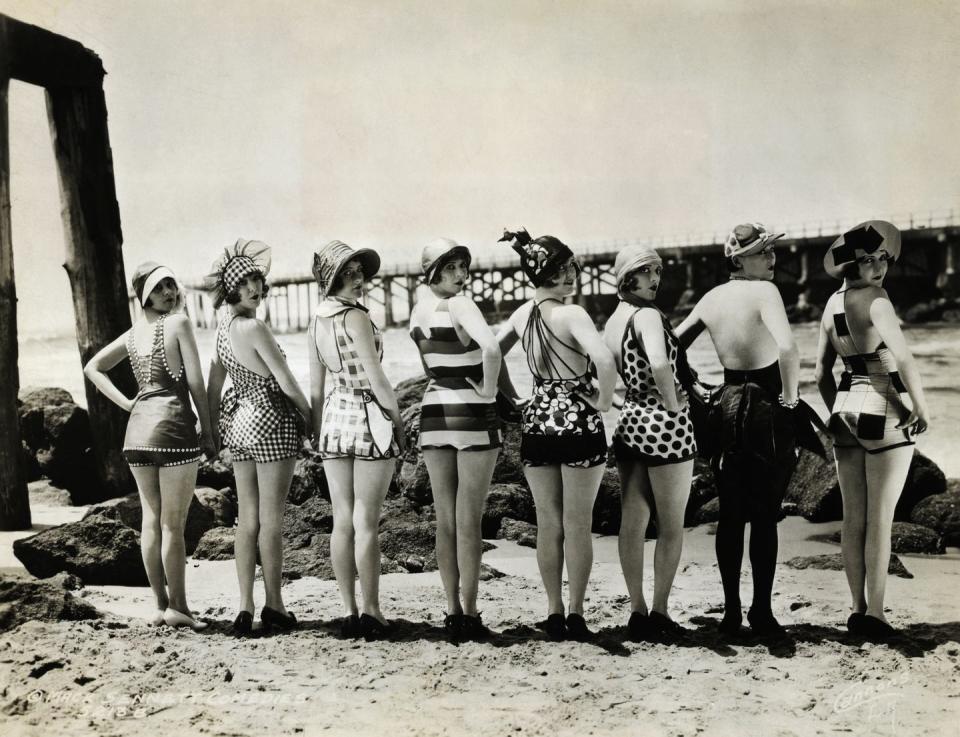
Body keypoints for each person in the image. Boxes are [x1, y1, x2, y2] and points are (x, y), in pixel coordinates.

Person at [676, 222, 812, 637]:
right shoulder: (766, 292)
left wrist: (692, 383)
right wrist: (790, 401)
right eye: (763, 253)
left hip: (727, 403)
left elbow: (672, 342)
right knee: (765, 516)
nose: (772, 259)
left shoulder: (713, 297)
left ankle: (731, 613)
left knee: (732, 514)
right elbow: (788, 348)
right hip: (766, 409)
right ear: (738, 259)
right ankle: (761, 613)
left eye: (771, 252)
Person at [496, 228, 616, 641]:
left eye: (571, 268)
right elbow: (602, 358)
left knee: (548, 524)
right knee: (578, 525)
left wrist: (512, 400)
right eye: (565, 269)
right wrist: (602, 401)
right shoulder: (573, 314)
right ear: (546, 271)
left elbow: (491, 355)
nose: (572, 275)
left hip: (538, 424)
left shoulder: (521, 315)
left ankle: (553, 610)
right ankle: (578, 612)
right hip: (579, 423)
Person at [84, 262, 215, 630]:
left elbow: (93, 367)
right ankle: (180, 608)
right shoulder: (179, 323)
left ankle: (159, 606)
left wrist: (129, 404)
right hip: (173, 431)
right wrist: (208, 428)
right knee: (173, 525)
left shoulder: (133, 334)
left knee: (151, 522)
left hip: (137, 434)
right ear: (144, 294)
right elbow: (196, 383)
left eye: (172, 286)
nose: (170, 294)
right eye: (160, 289)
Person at [814, 220, 929, 640]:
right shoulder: (877, 301)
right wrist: (920, 406)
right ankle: (876, 615)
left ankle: (857, 609)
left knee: (853, 519)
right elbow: (904, 359)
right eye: (867, 261)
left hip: (846, 409)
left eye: (882, 258)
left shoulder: (831, 304)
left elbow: (820, 372)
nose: (878, 267)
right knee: (880, 520)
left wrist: (838, 409)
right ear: (851, 264)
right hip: (883, 408)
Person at [205, 239, 311, 635]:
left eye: (259, 281)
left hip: (241, 426)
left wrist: (213, 430)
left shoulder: (222, 328)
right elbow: (285, 381)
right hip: (270, 422)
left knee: (245, 521)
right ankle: (274, 605)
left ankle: (244, 607)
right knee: (271, 522)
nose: (256, 288)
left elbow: (215, 384)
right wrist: (312, 416)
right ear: (232, 287)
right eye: (247, 281)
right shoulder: (254, 326)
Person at [309, 240, 404, 640]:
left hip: (335, 417)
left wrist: (317, 430)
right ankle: (371, 611)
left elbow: (316, 386)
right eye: (346, 274)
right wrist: (398, 421)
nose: (357, 279)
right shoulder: (357, 318)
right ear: (331, 280)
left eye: (359, 271)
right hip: (368, 417)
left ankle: (347, 610)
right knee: (365, 521)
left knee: (342, 520)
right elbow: (376, 378)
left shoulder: (316, 319)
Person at [409, 238, 502, 640]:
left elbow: (430, 365)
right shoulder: (461, 305)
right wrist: (490, 392)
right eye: (453, 268)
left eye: (464, 267)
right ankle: (470, 610)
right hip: (470, 411)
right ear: (436, 272)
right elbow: (492, 348)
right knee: (470, 519)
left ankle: (450, 610)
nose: (462, 276)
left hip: (434, 411)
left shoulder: (417, 309)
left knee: (444, 520)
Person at [603, 245, 695, 641]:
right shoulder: (647, 315)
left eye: (657, 270)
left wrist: (628, 400)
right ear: (628, 278)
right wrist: (674, 407)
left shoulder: (613, 320)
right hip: (665, 424)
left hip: (631, 421)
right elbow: (659, 363)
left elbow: (599, 377)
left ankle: (636, 609)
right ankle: (659, 610)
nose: (655, 278)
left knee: (633, 520)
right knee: (672, 525)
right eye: (646, 272)